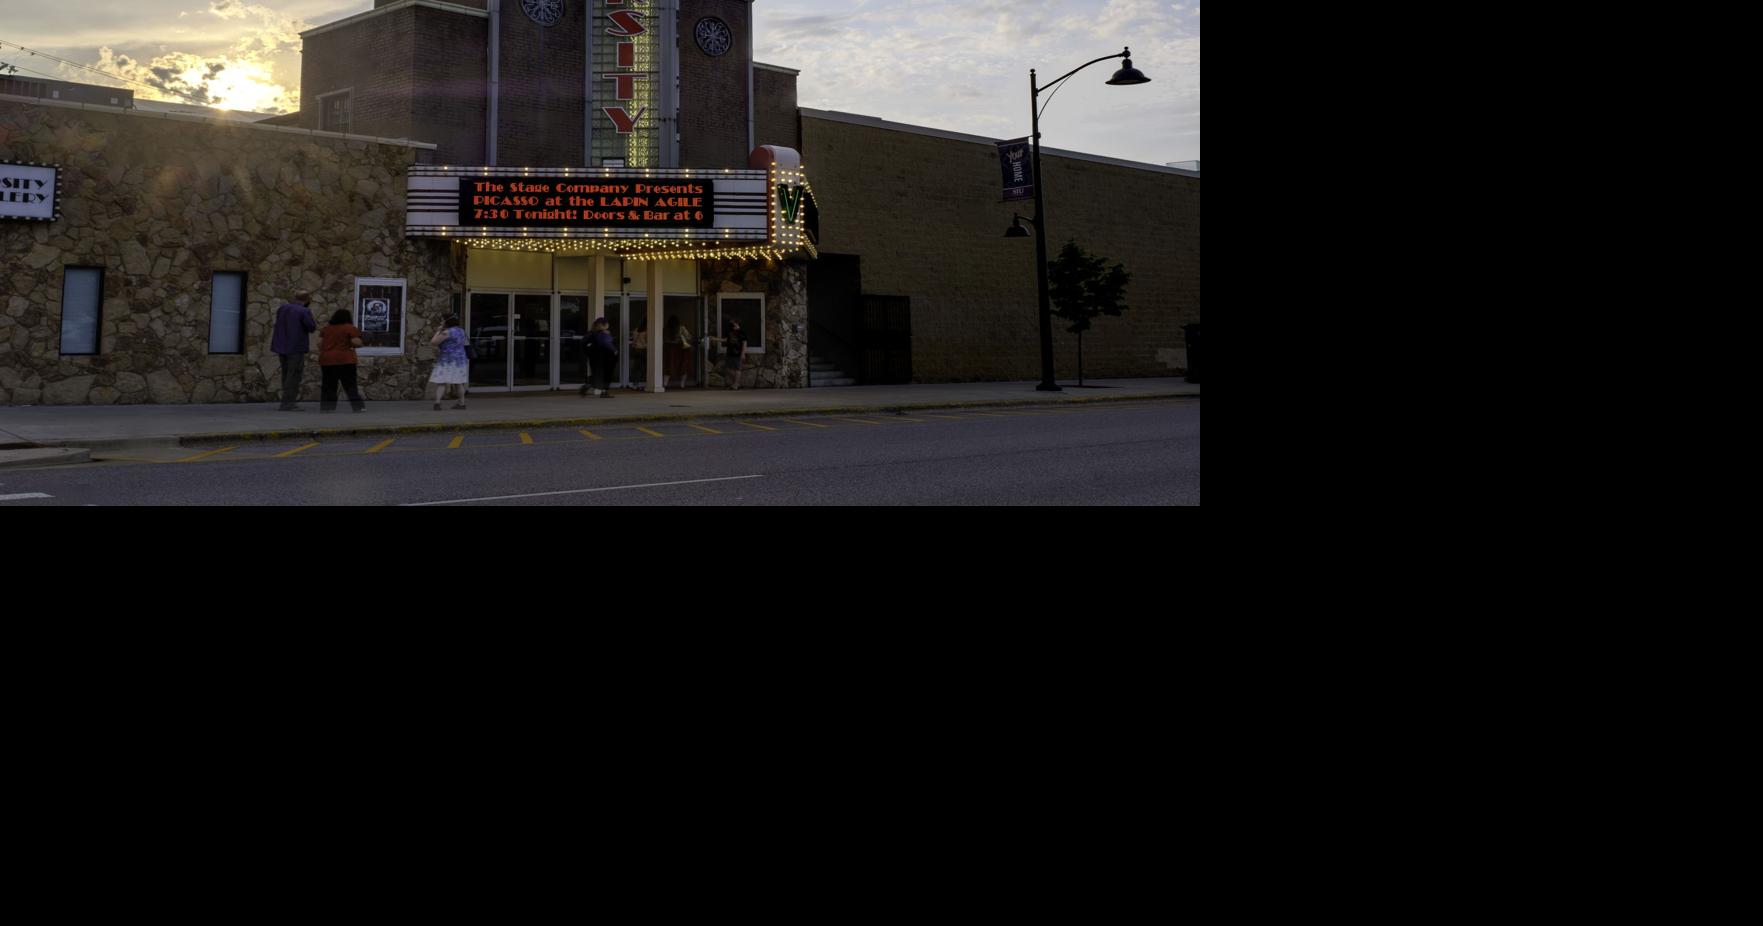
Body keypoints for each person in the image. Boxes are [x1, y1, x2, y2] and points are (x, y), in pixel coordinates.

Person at [270, 290, 317, 410]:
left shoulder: (283, 308)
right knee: (294, 375)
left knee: (286, 374)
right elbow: (311, 327)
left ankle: (286, 400)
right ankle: (288, 403)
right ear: (307, 300)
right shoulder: (304, 311)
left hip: (282, 346)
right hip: (296, 346)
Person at [318, 309, 368, 412]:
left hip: (327, 359)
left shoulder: (326, 329)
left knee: (329, 385)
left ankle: (327, 408)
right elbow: (356, 342)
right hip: (345, 359)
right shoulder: (350, 328)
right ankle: (358, 406)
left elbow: (319, 344)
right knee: (350, 384)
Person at [428, 314, 469, 410]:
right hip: (460, 360)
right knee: (458, 383)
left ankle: (437, 403)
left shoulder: (447, 332)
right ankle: (462, 403)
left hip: (447, 360)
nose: (442, 322)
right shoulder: (461, 331)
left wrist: (438, 330)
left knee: (442, 382)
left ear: (447, 321)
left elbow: (433, 342)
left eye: (442, 320)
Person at [584, 316, 617, 398]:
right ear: (604, 324)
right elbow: (607, 344)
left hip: (595, 357)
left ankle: (589, 385)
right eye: (607, 323)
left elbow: (584, 343)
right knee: (607, 374)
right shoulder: (604, 334)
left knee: (598, 373)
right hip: (606, 356)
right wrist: (614, 351)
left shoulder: (591, 333)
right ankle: (603, 391)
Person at [665, 314, 693, 389]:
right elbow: (688, 336)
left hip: (669, 349)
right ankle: (682, 384)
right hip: (681, 349)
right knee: (683, 366)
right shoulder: (681, 328)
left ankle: (665, 384)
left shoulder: (666, 329)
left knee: (669, 366)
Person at [719, 318, 747, 389]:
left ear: (736, 323)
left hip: (738, 352)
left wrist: (743, 353)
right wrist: (715, 339)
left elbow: (744, 343)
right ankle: (737, 383)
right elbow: (725, 339)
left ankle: (735, 384)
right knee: (728, 369)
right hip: (730, 352)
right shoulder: (730, 331)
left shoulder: (742, 332)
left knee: (737, 368)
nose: (731, 324)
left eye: (733, 322)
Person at [629, 322, 648, 390]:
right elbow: (647, 341)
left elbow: (633, 340)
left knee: (637, 368)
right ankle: (644, 384)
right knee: (645, 368)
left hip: (636, 350)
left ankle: (635, 384)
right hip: (644, 350)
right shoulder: (647, 331)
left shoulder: (636, 330)